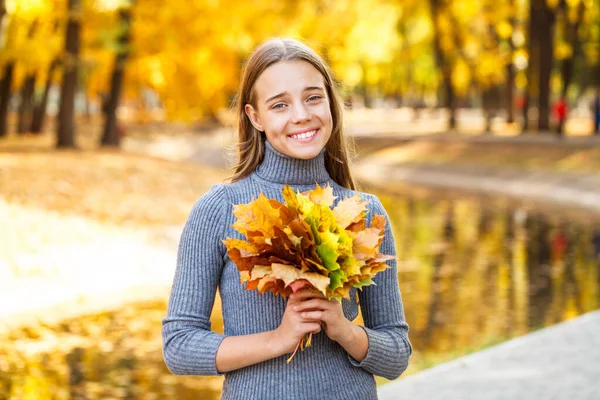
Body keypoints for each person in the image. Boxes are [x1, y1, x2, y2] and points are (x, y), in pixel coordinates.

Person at [162, 38, 412, 400]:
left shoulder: (366, 212)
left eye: (313, 97)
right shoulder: (218, 209)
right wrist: (278, 339)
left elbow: (397, 356)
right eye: (280, 104)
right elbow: (179, 347)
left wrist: (344, 329)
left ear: (330, 102)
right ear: (255, 117)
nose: (301, 115)